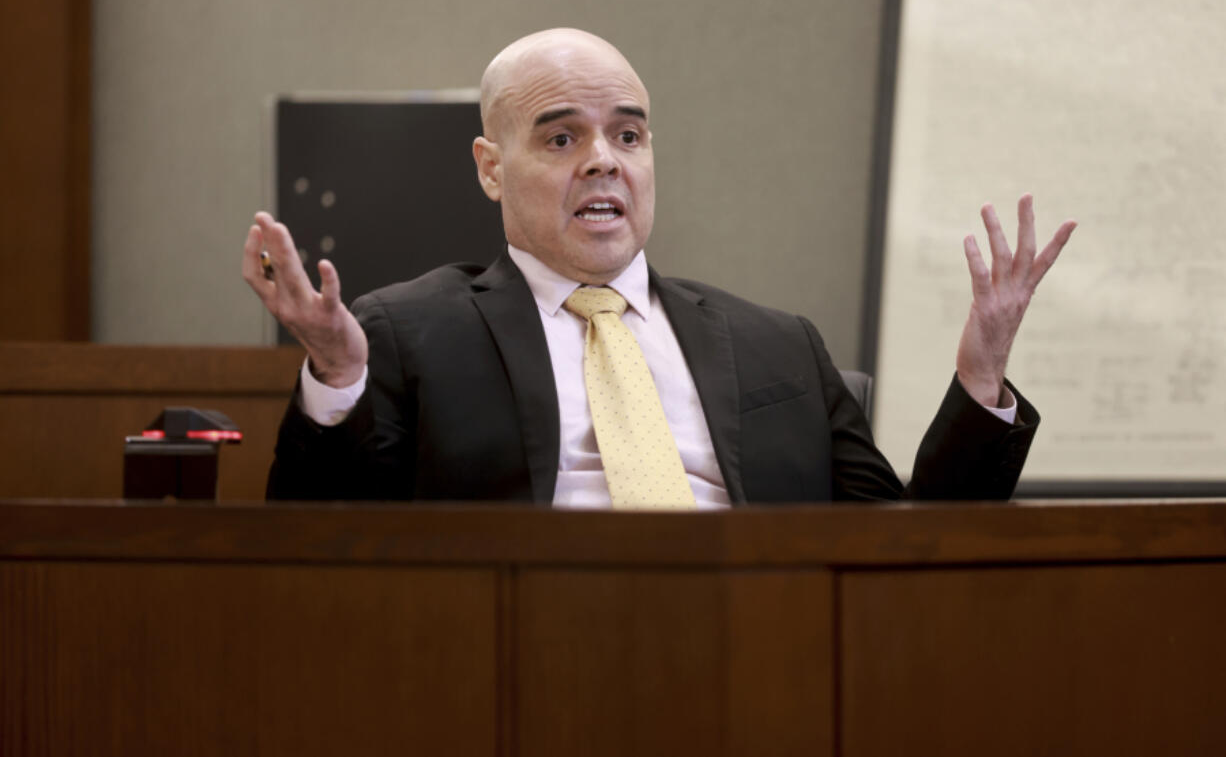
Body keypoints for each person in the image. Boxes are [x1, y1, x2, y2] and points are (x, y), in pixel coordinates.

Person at [242, 28, 1075, 506]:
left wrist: (980, 383)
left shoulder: (779, 345)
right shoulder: (407, 332)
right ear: (491, 167)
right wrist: (338, 377)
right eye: (562, 137)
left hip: (757, 657)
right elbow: (321, 544)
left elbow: (906, 549)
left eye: (629, 136)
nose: (605, 161)